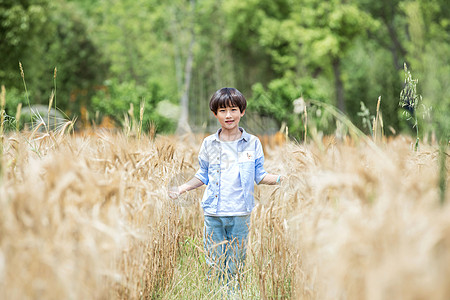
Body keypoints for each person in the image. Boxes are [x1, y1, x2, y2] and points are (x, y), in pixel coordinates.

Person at [169, 87, 282, 288]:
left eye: (233, 109)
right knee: (215, 264)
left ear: (242, 111)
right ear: (215, 114)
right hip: (213, 213)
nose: (228, 115)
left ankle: (234, 295)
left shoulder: (252, 143)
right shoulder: (208, 144)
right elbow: (202, 174)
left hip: (241, 214)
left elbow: (259, 175)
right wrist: (182, 188)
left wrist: (284, 179)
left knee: (236, 265)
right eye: (222, 110)